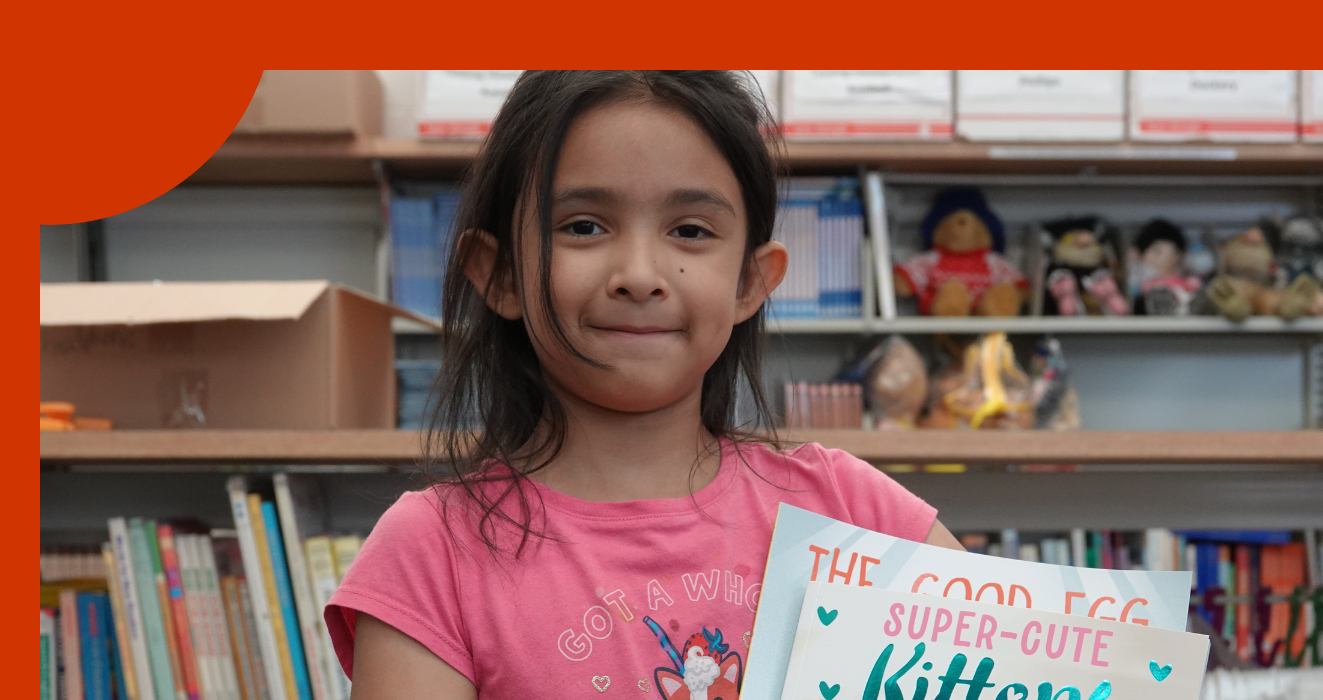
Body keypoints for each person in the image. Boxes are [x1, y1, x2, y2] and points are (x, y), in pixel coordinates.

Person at [326, 71, 964, 700]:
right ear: (501, 277)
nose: (639, 274)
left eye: (690, 231)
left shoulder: (853, 513)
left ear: (750, 282)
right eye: (583, 226)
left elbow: (1036, 662)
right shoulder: (431, 550)